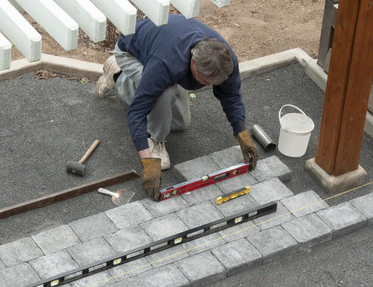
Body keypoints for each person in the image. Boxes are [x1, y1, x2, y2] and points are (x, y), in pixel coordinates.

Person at [96, 14, 258, 200]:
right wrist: (148, 162)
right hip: (131, 50)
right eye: (205, 81)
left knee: (180, 124)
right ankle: (117, 75)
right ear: (192, 63)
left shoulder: (225, 60)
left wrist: (242, 134)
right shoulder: (165, 64)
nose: (207, 86)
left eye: (211, 83)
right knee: (162, 92)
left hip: (166, 44)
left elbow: (231, 95)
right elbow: (137, 113)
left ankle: (151, 86)